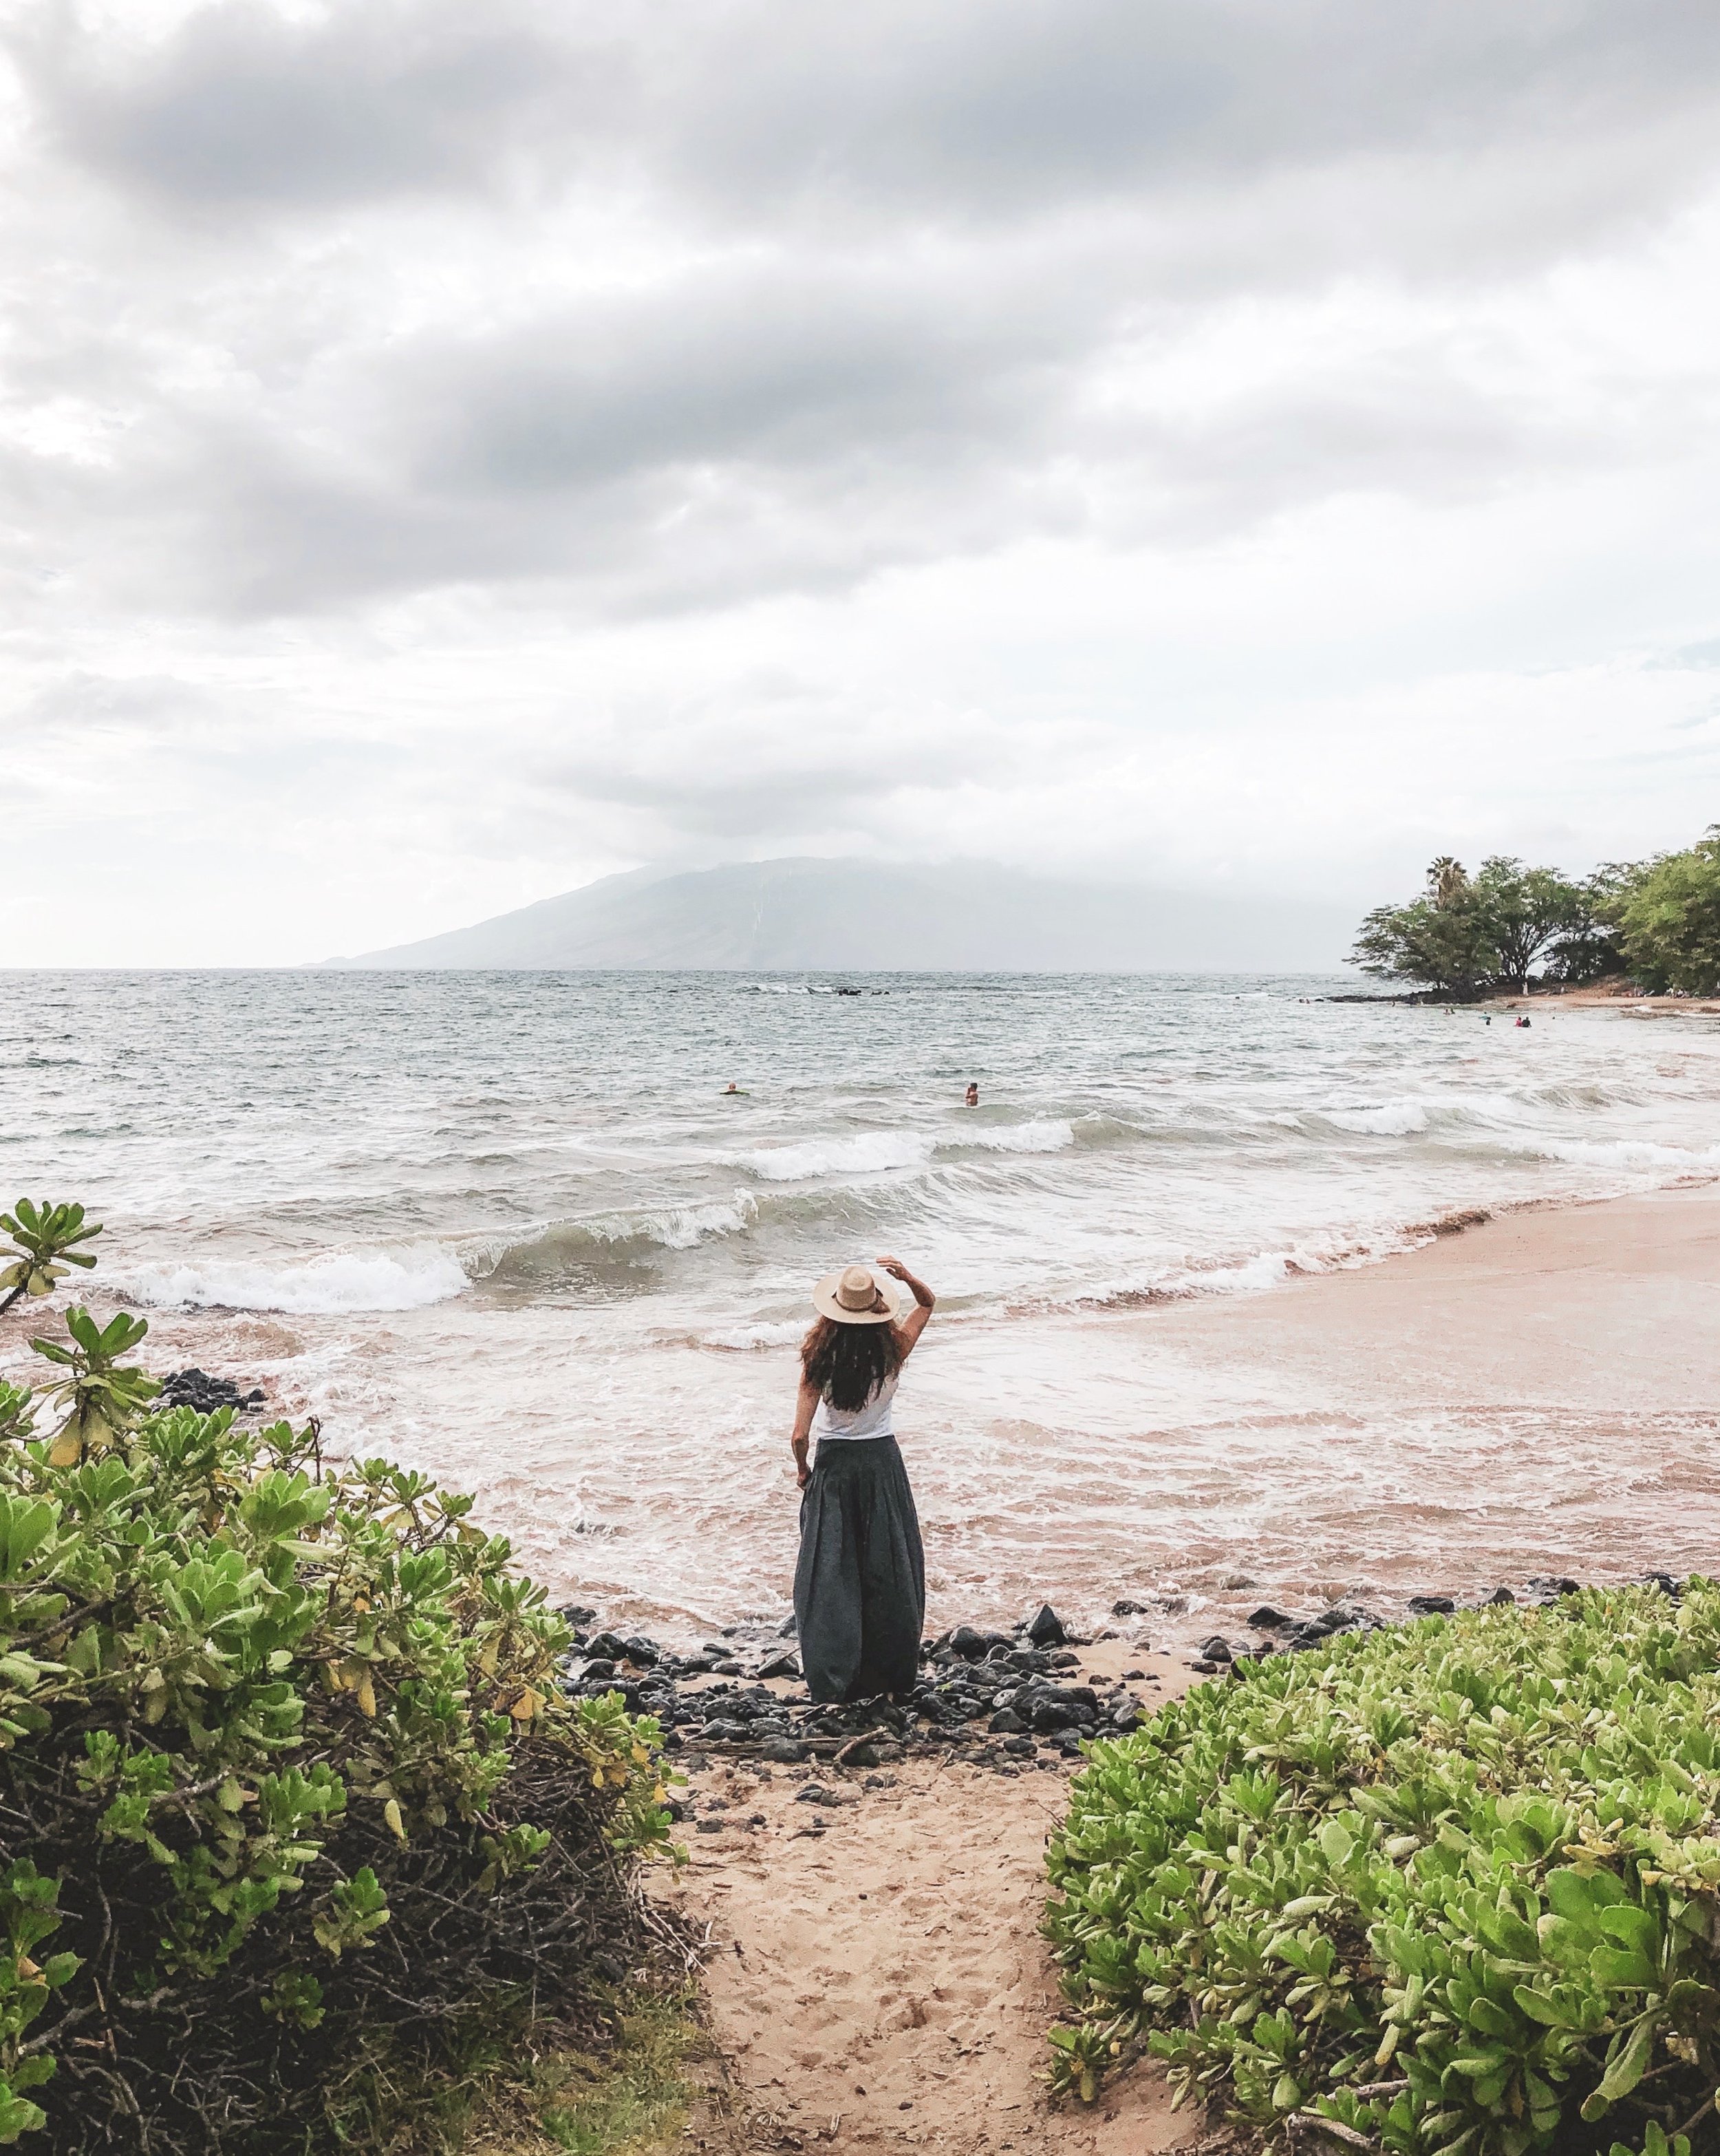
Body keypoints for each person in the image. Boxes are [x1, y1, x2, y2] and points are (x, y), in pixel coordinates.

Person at [790, 1255, 936, 1703]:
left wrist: (804, 1471)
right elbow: (928, 1304)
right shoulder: (894, 1352)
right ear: (876, 1307)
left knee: (831, 1569)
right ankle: (887, 1671)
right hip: (882, 1463)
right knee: (887, 1565)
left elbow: (799, 1434)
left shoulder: (818, 1359)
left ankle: (834, 1672)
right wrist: (908, 1277)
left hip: (835, 1466)